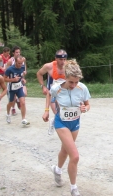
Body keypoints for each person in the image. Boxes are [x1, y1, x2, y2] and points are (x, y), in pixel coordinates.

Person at [43, 60, 91, 196]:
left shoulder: (82, 88)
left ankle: (57, 170)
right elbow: (49, 96)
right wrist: (47, 110)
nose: (74, 85)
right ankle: (74, 188)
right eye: (71, 82)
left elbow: (88, 105)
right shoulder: (56, 88)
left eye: (76, 82)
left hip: (75, 123)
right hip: (61, 123)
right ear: (65, 77)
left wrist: (84, 108)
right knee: (74, 156)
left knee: (65, 150)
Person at [37, 49, 67, 135]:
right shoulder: (49, 66)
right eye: (61, 59)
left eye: (64, 59)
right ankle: (55, 123)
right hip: (52, 94)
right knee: (58, 114)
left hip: (64, 94)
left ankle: (54, 122)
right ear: (56, 59)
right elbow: (39, 74)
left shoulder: (68, 67)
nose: (63, 62)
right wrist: (42, 86)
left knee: (64, 114)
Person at [4, 56, 29, 126]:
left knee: (23, 102)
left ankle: (23, 119)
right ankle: (8, 114)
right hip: (11, 88)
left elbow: (21, 75)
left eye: (21, 63)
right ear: (15, 62)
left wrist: (23, 79)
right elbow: (4, 79)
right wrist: (13, 80)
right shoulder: (10, 69)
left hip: (19, 87)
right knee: (11, 103)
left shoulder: (22, 67)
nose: (20, 65)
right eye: (18, 63)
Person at [5, 46, 27, 115]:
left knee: (25, 94)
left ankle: (18, 100)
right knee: (12, 99)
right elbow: (6, 72)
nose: (18, 53)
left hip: (20, 81)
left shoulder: (23, 59)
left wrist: (23, 77)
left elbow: (24, 69)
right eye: (16, 52)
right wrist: (12, 79)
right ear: (13, 53)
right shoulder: (10, 61)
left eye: (19, 52)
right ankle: (12, 108)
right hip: (12, 82)